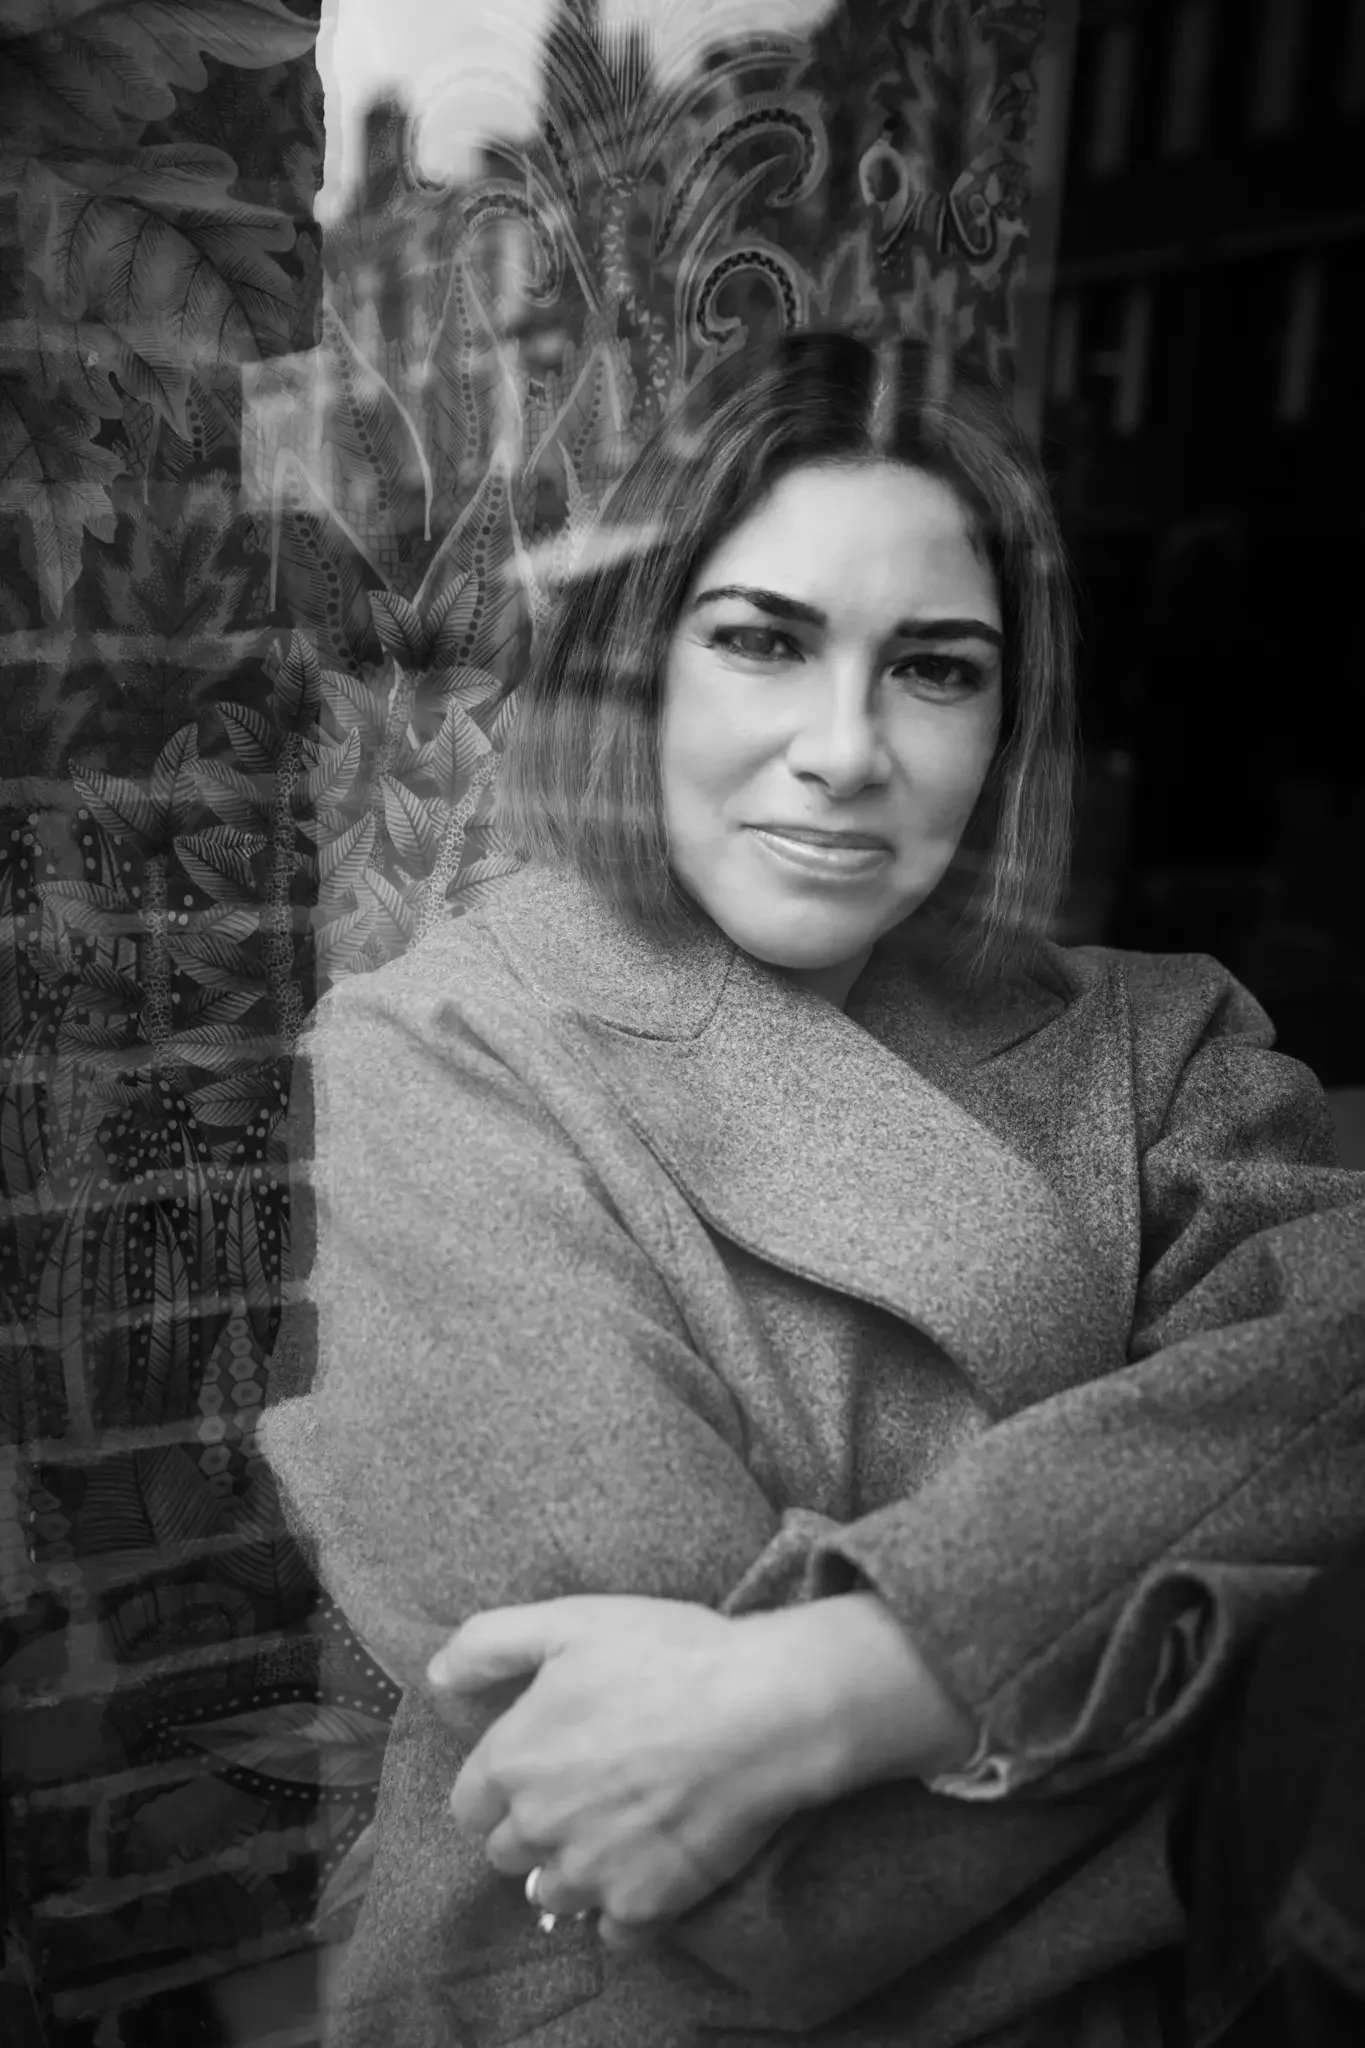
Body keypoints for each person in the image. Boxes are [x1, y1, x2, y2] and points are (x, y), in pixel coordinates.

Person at [261, 330, 1365, 2048]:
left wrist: (838, 1680)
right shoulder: (437, 1058)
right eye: (766, 643)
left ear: (1006, 720)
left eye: (934, 669)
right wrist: (1241, 1718)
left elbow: (1347, 1371)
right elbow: (716, 1870)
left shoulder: (1160, 1038)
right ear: (639, 669)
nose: (847, 748)